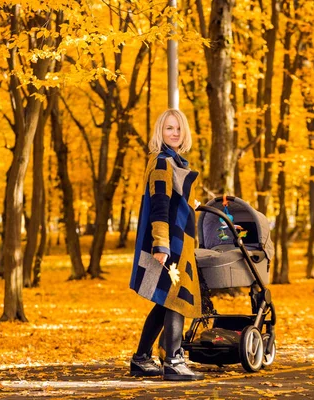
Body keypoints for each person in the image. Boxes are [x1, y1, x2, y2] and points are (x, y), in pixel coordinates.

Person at [128, 109, 204, 381]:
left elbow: (171, 200)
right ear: (159, 132)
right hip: (169, 242)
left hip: (176, 241)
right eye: (169, 128)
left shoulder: (175, 163)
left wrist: (189, 205)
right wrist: (161, 244)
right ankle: (173, 360)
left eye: (178, 129)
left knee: (164, 300)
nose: (174, 133)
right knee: (177, 299)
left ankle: (141, 359)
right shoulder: (162, 163)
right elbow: (160, 204)